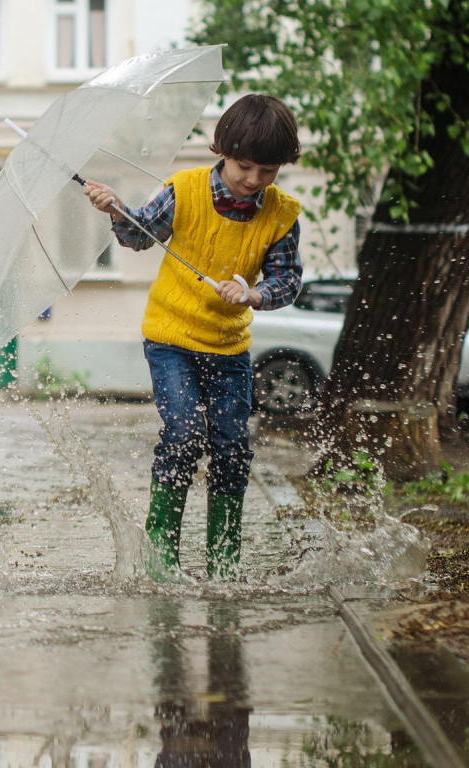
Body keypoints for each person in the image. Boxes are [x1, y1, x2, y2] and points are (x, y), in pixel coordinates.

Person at [83, 93, 303, 582]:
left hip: (229, 347)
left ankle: (224, 566)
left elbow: (287, 281)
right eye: (245, 166)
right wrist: (116, 208)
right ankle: (161, 563)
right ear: (221, 150)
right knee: (183, 437)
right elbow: (139, 236)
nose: (253, 180)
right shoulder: (183, 191)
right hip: (171, 339)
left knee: (231, 448)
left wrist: (256, 294)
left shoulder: (282, 214)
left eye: (267, 171)